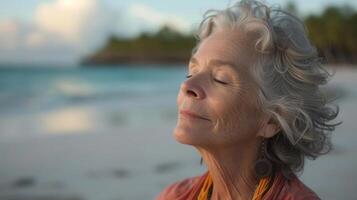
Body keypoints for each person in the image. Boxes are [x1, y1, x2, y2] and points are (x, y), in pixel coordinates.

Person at [156, 0, 341, 199]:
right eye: (192, 73)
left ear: (272, 120)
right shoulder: (174, 195)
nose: (186, 87)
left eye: (220, 79)